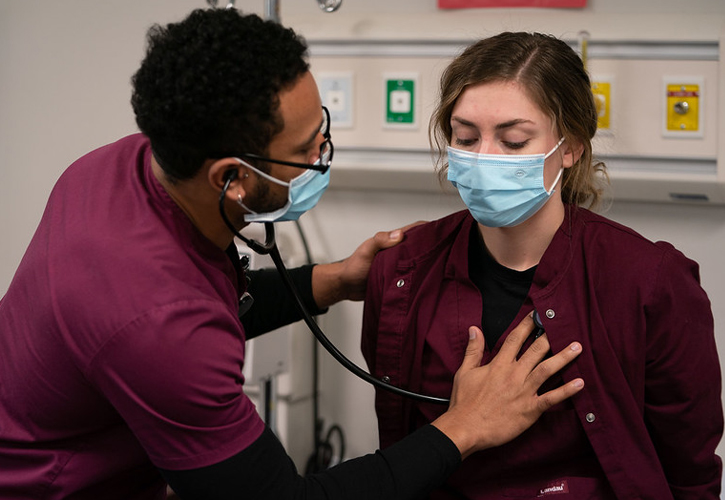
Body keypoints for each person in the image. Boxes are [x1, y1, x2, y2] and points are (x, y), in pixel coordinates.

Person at [0, 11, 586, 499]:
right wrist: (462, 429)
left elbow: (201, 301)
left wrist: (330, 281)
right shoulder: (155, 321)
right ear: (232, 179)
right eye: (305, 149)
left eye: (321, 127)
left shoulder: (124, 164)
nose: (323, 153)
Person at [361, 31, 723, 499]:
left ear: (569, 146)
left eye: (513, 141)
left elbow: (690, 473)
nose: (483, 158)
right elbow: (400, 446)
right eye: (465, 137)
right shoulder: (403, 271)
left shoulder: (648, 283)